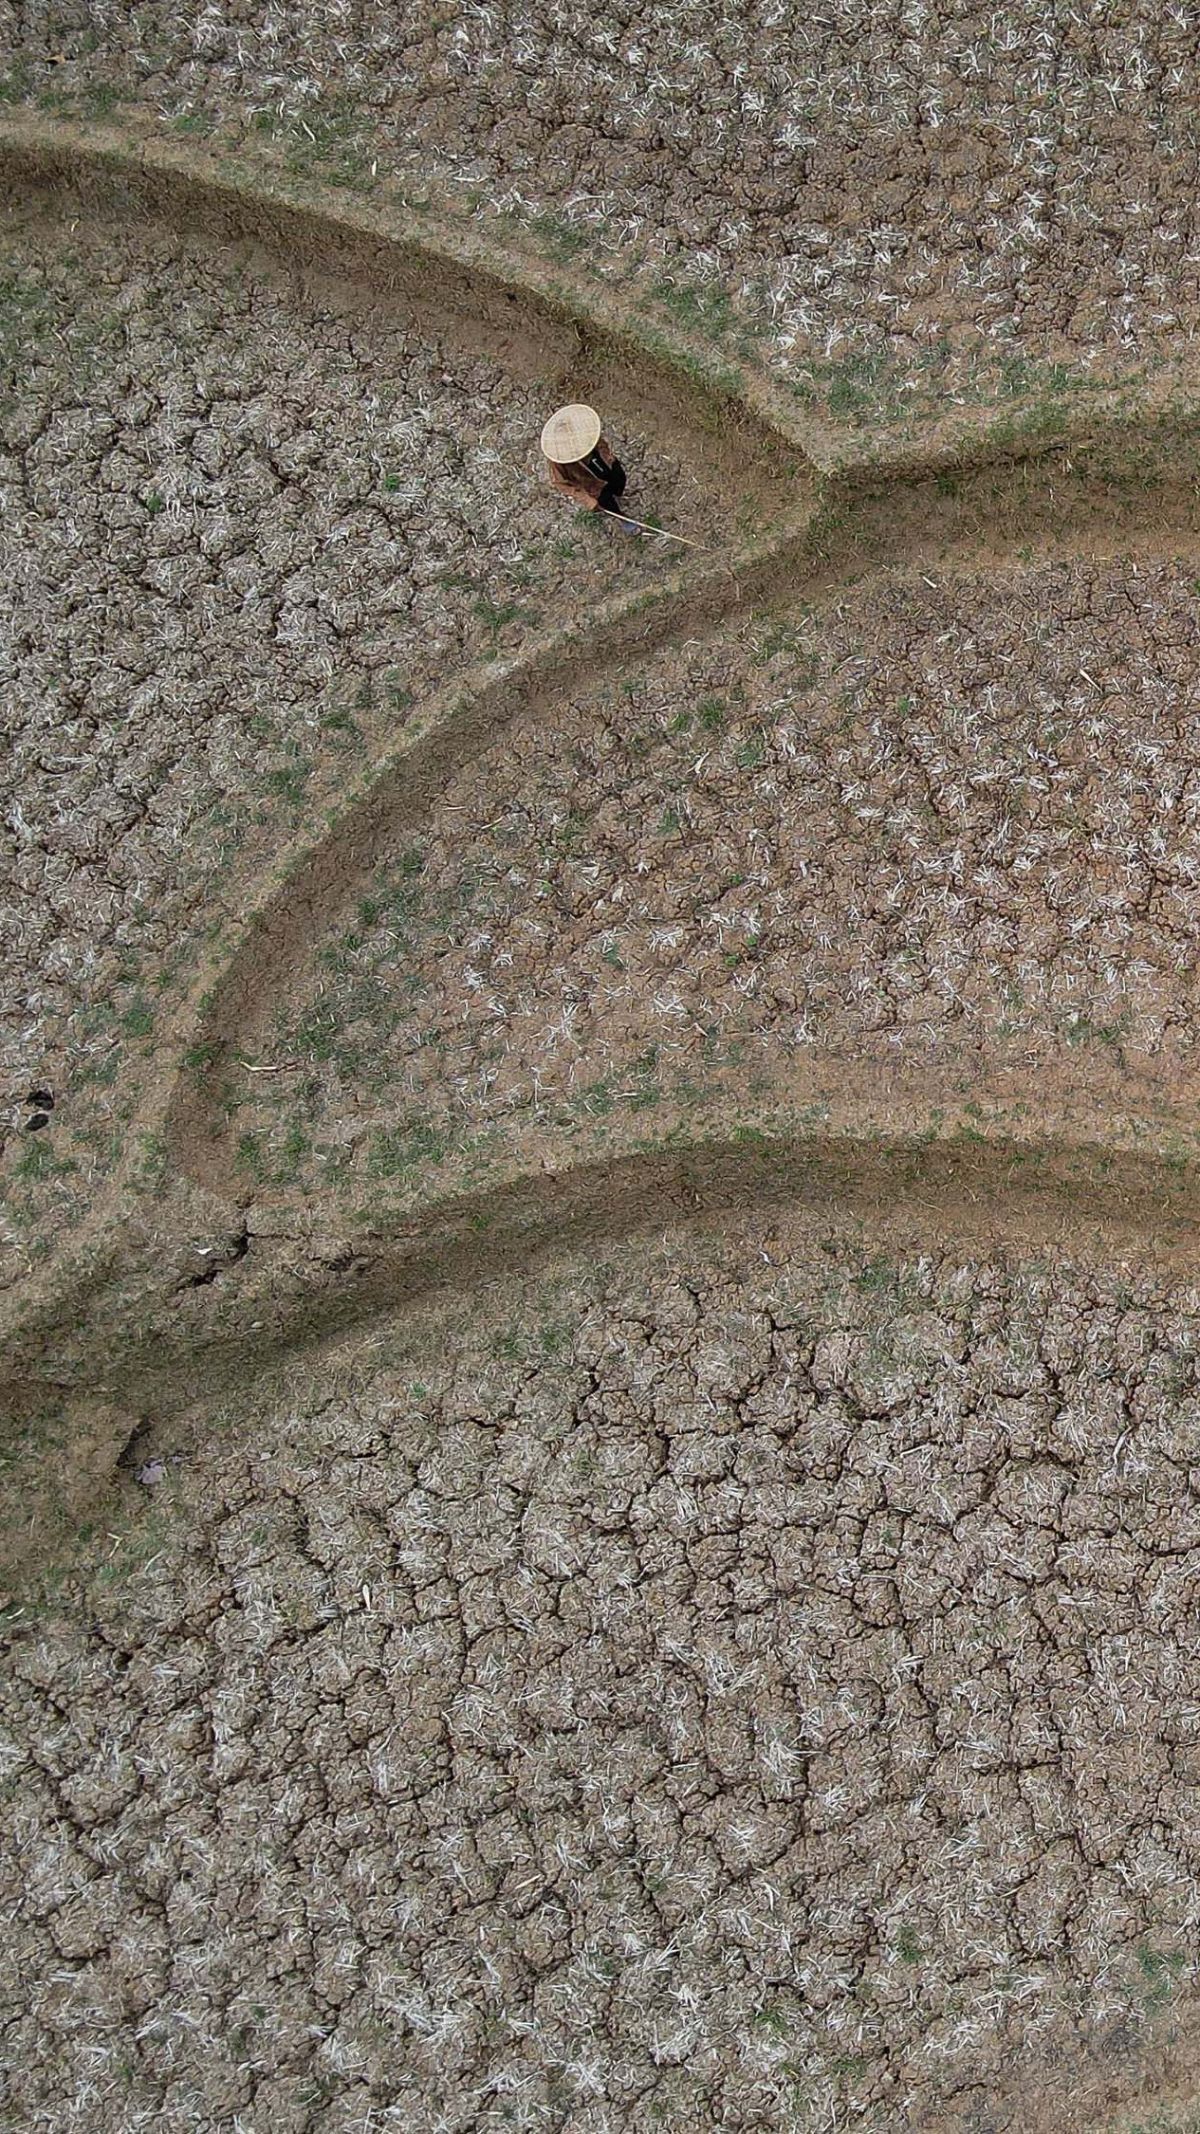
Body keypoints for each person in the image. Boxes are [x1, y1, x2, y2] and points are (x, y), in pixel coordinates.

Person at [540, 404, 631, 521]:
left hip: (606, 466)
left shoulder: (587, 433)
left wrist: (609, 458)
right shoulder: (558, 461)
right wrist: (587, 500)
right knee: (608, 503)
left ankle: (618, 493)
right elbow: (562, 484)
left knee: (619, 480)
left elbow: (603, 446)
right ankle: (622, 518)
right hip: (592, 485)